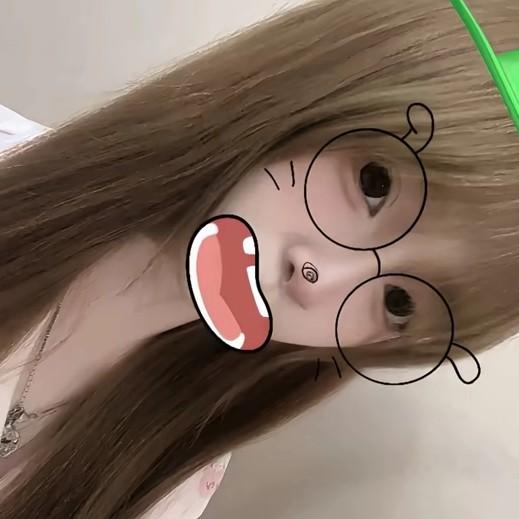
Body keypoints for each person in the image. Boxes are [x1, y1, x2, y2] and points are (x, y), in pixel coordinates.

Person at [0, 0, 518, 517]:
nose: (321, 279)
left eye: (398, 302)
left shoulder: (173, 484)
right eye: (373, 184)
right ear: (319, 81)